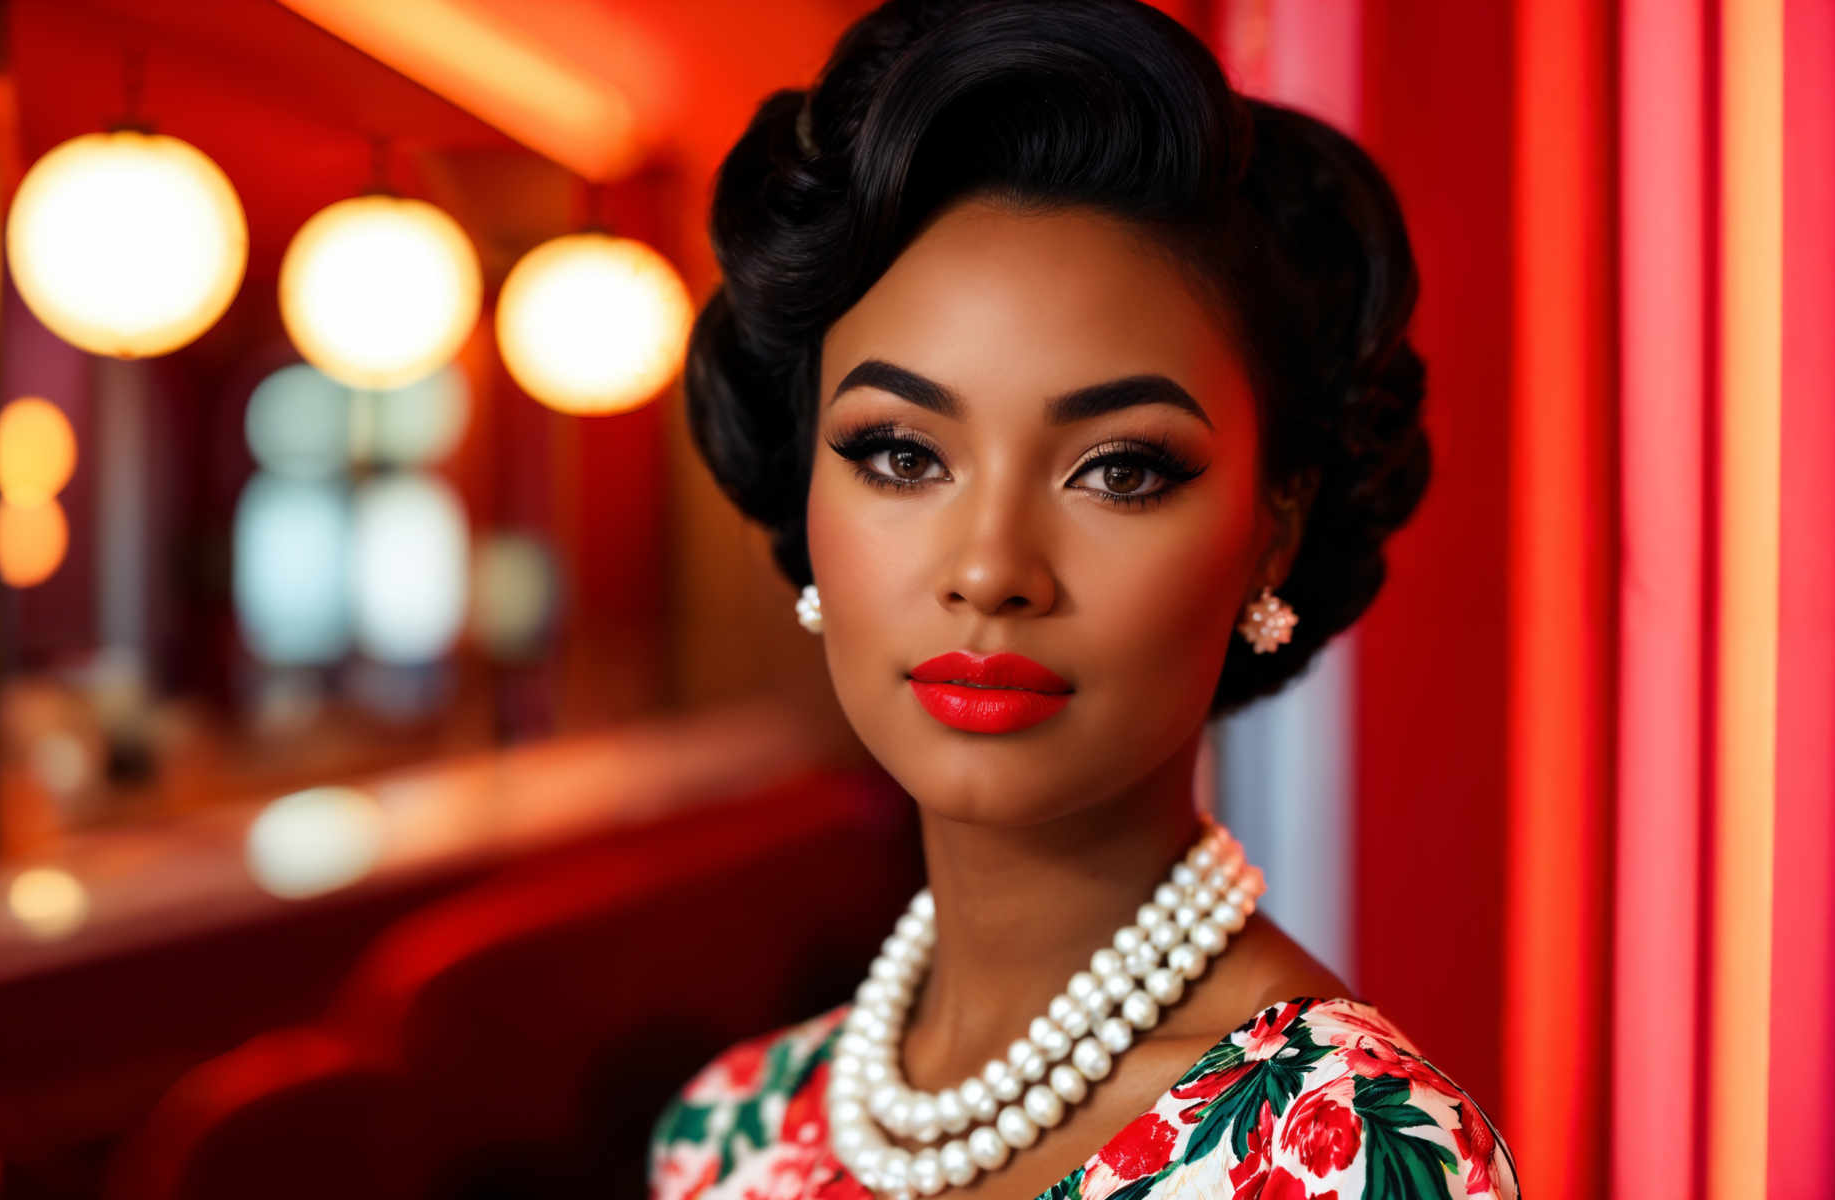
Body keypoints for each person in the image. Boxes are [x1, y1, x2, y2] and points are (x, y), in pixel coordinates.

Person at [650, 1, 1520, 1197]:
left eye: (1120, 468)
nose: (991, 566)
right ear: (803, 488)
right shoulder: (723, 1132)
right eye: (901, 453)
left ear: (1276, 530)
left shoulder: (1338, 1154)